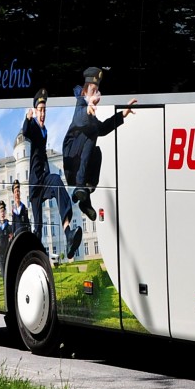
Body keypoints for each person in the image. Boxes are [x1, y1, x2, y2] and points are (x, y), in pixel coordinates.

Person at [61, 67, 136, 258]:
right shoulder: (80, 104)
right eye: (93, 92)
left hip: (82, 167)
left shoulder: (92, 117)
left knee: (97, 148)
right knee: (89, 132)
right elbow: (79, 117)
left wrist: (123, 114)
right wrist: (87, 107)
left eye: (98, 92)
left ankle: (85, 196)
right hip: (72, 162)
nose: (96, 96)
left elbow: (102, 128)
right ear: (85, 92)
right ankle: (80, 187)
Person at [21, 88, 73, 259]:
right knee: (38, 225)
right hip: (35, 184)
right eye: (40, 110)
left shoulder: (45, 131)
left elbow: (43, 155)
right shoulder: (34, 127)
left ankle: (68, 232)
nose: (42, 113)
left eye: (44, 110)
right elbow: (27, 132)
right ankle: (32, 255)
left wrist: (48, 172)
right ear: (35, 111)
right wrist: (27, 120)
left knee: (57, 182)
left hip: (44, 179)